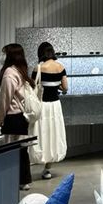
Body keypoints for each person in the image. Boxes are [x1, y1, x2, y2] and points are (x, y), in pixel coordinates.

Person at [0, 43, 33, 190]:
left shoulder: (9, 73)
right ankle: (24, 180)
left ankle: (11, 180)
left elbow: (5, 98)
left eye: (4, 53)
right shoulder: (20, 70)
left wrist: (0, 118)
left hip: (12, 117)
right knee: (22, 150)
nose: (2, 56)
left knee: (10, 151)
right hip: (21, 117)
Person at [30, 42, 68, 181]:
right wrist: (56, 86)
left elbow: (32, 87)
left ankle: (38, 158)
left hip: (42, 105)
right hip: (55, 106)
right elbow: (65, 88)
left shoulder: (38, 68)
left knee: (41, 133)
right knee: (53, 133)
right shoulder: (60, 67)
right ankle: (47, 169)